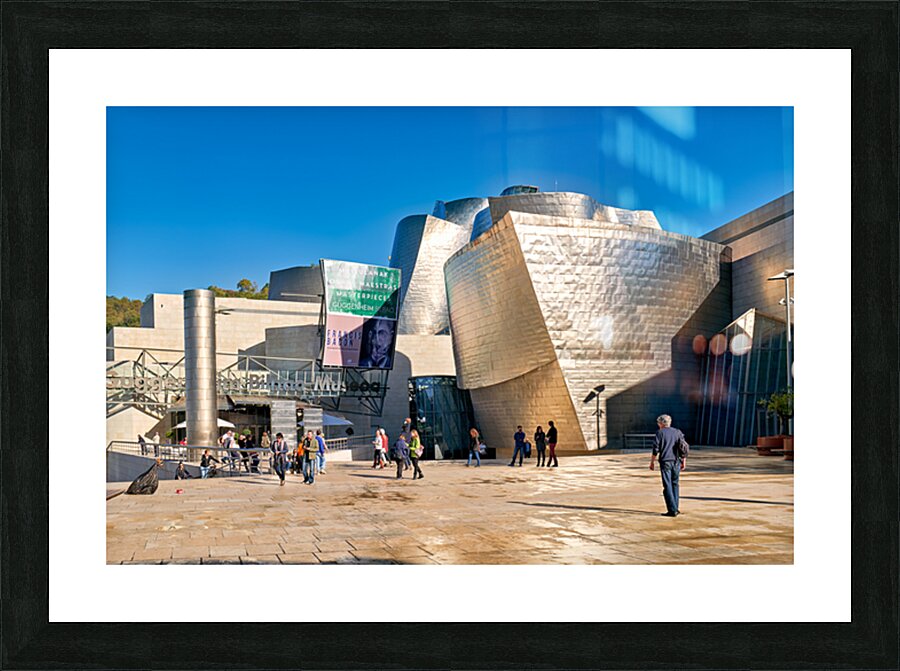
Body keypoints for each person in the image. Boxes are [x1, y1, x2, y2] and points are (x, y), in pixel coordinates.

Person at [649, 414, 687, 517]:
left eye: (658, 423)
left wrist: (652, 462)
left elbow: (655, 449)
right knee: (675, 484)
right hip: (676, 461)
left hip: (665, 461)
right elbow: (683, 447)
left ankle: (672, 510)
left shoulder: (660, 433)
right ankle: (675, 507)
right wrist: (684, 460)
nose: (658, 425)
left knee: (667, 485)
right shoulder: (677, 432)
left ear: (661, 423)